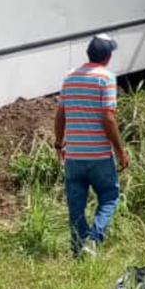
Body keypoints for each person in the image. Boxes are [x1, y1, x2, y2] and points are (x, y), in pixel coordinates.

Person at [54, 34, 131, 257]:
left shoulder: (70, 77)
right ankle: (93, 240)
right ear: (108, 56)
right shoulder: (106, 78)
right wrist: (120, 151)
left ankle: (80, 248)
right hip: (99, 157)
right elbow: (108, 117)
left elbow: (61, 115)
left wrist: (59, 145)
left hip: (74, 156)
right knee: (110, 197)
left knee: (76, 205)